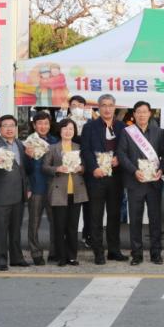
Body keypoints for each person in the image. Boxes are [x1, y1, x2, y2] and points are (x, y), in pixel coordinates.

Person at [118, 101, 164, 266]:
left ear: (150, 113)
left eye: (145, 111)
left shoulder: (158, 132)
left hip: (154, 183)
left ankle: (156, 253)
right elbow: (122, 154)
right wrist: (134, 171)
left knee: (155, 220)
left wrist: (161, 169)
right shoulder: (127, 132)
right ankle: (136, 254)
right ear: (134, 114)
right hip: (135, 181)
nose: (141, 115)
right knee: (135, 220)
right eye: (138, 112)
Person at [80, 93, 128, 265]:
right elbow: (85, 150)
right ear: (99, 108)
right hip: (96, 178)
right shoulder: (89, 127)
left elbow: (127, 149)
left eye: (110, 105)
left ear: (114, 107)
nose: (107, 109)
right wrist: (94, 168)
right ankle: (98, 252)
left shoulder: (123, 127)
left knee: (114, 215)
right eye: (104, 105)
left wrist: (119, 159)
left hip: (116, 177)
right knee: (96, 216)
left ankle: (114, 250)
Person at [0, 115, 32, 271]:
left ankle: (17, 258)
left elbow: (25, 170)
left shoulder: (21, 145)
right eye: (5, 125)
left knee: (16, 229)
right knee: (0, 230)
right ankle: (0, 260)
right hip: (1, 195)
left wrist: (27, 188)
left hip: (19, 193)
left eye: (12, 125)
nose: (9, 128)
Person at [42, 119, 88, 267]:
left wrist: (81, 168)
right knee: (59, 226)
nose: (68, 131)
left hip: (76, 191)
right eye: (65, 129)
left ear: (74, 131)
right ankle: (61, 256)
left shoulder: (79, 147)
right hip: (58, 191)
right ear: (60, 131)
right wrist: (57, 169)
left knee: (73, 227)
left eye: (71, 129)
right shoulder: (52, 148)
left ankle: (72, 256)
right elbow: (45, 167)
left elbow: (85, 166)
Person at [24, 112, 58, 265]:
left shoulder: (55, 141)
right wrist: (28, 157)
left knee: (55, 222)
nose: (43, 126)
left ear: (50, 125)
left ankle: (54, 252)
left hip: (53, 188)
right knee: (34, 223)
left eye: (46, 123)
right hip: (36, 187)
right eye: (40, 123)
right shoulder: (28, 143)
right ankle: (36, 253)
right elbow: (24, 169)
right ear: (34, 125)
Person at [67, 95, 92, 248]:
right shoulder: (64, 124)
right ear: (69, 107)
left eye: (80, 105)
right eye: (74, 105)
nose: (77, 107)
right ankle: (68, 237)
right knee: (70, 205)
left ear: (85, 107)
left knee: (89, 204)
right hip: (69, 169)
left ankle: (87, 235)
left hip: (87, 169)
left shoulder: (91, 123)